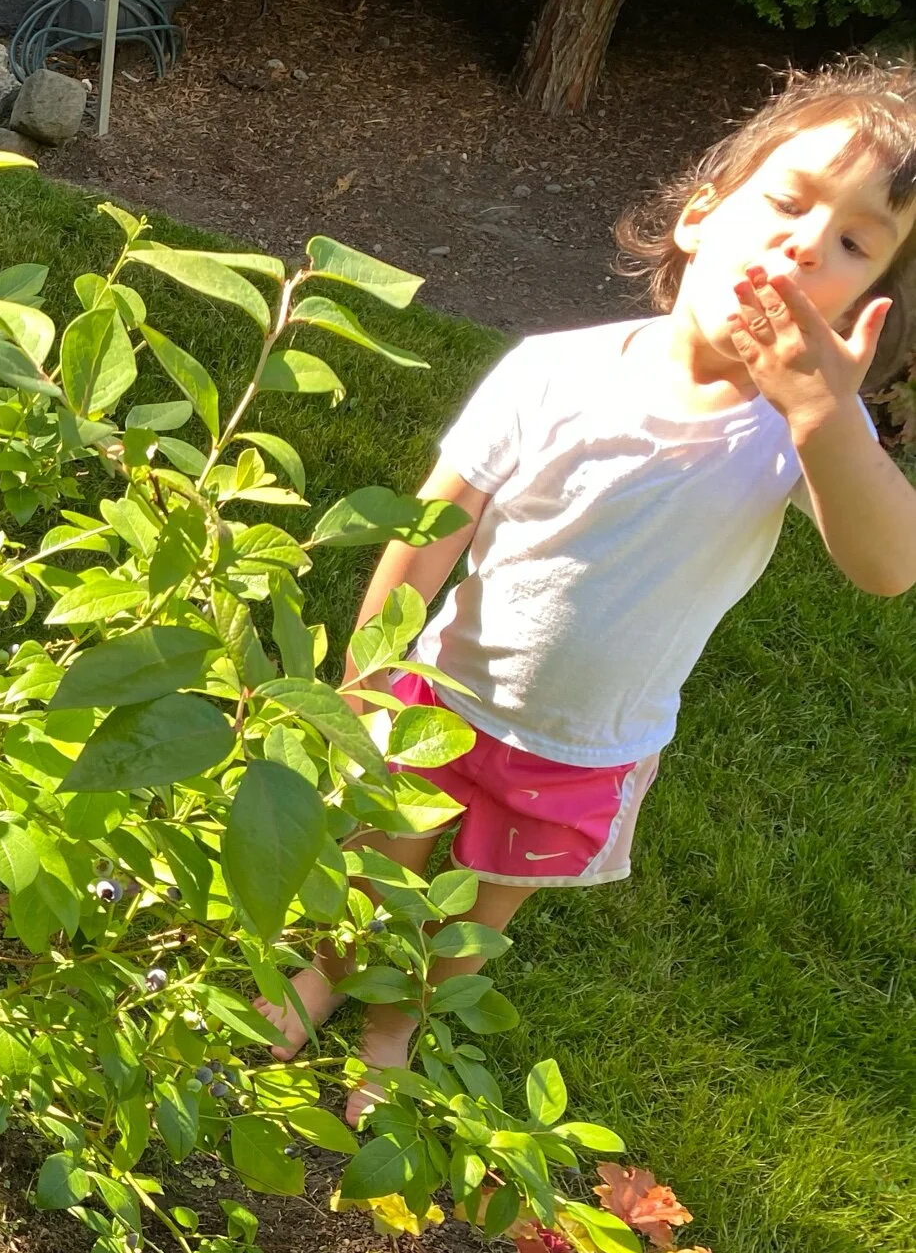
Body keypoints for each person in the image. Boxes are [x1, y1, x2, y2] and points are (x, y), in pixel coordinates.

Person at [261, 58, 916, 1119]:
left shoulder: (790, 442)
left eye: (852, 243)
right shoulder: (551, 371)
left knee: (475, 913)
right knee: (383, 858)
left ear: (865, 302)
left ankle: (395, 1026)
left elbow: (889, 566)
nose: (804, 245)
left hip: (587, 746)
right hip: (446, 696)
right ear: (702, 216)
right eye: (788, 204)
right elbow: (433, 529)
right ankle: (322, 971)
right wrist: (368, 670)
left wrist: (825, 414)